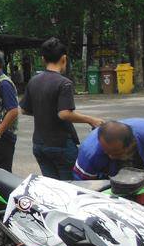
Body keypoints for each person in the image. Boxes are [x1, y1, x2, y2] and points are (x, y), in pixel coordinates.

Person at [20, 38, 104, 179]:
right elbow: (64, 114)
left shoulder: (33, 81)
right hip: (60, 145)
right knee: (69, 187)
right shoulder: (64, 83)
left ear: (43, 59)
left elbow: (24, 109)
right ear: (64, 58)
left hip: (39, 145)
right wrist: (91, 120)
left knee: (52, 186)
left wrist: (44, 111)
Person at [74, 119, 144, 206]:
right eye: (107, 153)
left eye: (116, 153)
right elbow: (84, 189)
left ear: (132, 144)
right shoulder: (89, 154)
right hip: (105, 172)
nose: (111, 156)